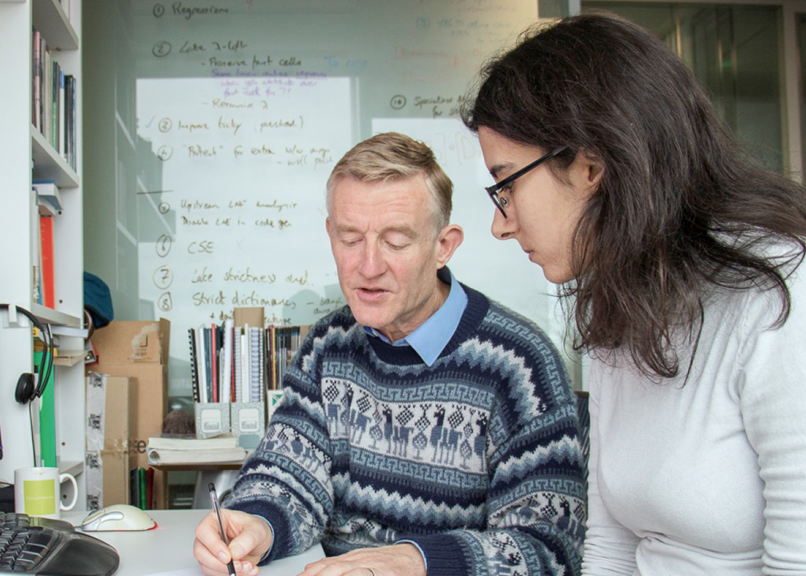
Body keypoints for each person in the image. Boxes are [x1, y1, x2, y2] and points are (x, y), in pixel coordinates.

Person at [464, 13, 806, 575]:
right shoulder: (619, 303)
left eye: (506, 186)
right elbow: (612, 545)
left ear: (591, 165)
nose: (500, 225)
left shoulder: (782, 295)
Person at [192, 132, 586, 576]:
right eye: (350, 238)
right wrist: (256, 523)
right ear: (330, 235)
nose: (368, 266)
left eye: (396, 241)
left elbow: (548, 550)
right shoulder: (327, 345)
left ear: (444, 245)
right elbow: (288, 473)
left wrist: (415, 561)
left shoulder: (520, 365)